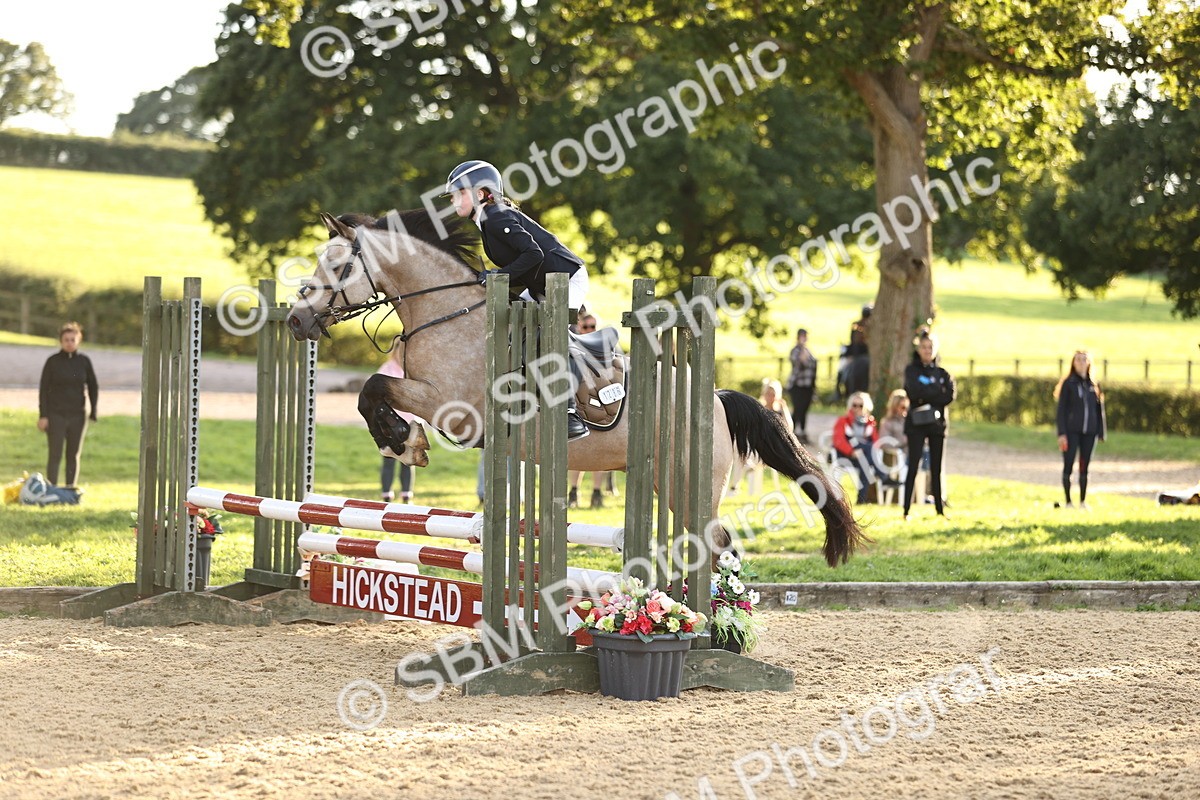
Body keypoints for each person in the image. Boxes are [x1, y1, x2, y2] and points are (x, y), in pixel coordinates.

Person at [446, 159, 590, 441]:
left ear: (479, 193)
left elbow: (533, 254)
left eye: (458, 193)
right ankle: (524, 394)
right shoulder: (487, 221)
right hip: (541, 284)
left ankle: (570, 413)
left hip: (567, 279)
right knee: (510, 324)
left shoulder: (496, 216)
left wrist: (497, 276)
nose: (453, 201)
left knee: (547, 333)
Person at [902, 329, 956, 520]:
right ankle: (906, 509)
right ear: (918, 349)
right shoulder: (911, 370)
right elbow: (914, 392)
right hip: (916, 424)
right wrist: (935, 392)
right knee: (913, 465)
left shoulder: (943, 373)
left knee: (936, 467)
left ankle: (940, 509)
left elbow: (949, 396)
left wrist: (927, 392)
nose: (927, 350)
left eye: (930, 347)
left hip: (937, 425)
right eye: (924, 347)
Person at [38, 321, 98, 488]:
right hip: (55, 414)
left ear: (78, 340)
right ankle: (51, 489)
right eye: (66, 339)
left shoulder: (84, 361)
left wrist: (93, 410)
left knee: (73, 454)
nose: (70, 343)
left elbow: (93, 386)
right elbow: (43, 389)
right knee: (55, 454)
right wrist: (43, 415)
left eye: (73, 339)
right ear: (61, 341)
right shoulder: (52, 362)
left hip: (78, 415)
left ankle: (70, 489)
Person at [568, 313, 613, 508]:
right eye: (585, 326)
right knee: (576, 451)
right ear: (578, 327)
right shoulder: (571, 348)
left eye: (592, 326)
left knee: (600, 451)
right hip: (579, 403)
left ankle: (596, 492)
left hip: (599, 403)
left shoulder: (602, 349)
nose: (589, 329)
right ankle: (573, 491)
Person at [1055, 350, 1107, 510]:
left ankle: (1083, 501)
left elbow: (1100, 410)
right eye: (1078, 360)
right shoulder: (1068, 384)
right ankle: (1068, 502)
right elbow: (1061, 410)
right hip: (1071, 432)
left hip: (1089, 433)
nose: (1081, 362)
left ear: (1089, 363)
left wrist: (1101, 431)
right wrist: (1062, 433)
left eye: (1084, 359)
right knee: (1068, 465)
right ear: (1073, 363)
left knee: (1084, 466)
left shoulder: (1094, 385)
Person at [832, 391, 897, 503]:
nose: (857, 408)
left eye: (860, 405)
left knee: (866, 457)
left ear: (866, 407)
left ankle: (861, 500)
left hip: (863, 457)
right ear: (850, 406)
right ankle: (883, 476)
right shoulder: (843, 421)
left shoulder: (870, 423)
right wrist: (852, 451)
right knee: (868, 449)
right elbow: (838, 441)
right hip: (846, 457)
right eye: (854, 405)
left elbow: (876, 443)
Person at [377, 344, 416, 502]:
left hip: (411, 423)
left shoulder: (412, 371)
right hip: (390, 423)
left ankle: (407, 493)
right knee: (389, 459)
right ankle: (386, 493)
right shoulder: (386, 370)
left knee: (408, 460)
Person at [785, 328, 817, 443]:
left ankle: (803, 432)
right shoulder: (796, 351)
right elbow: (801, 362)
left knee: (804, 410)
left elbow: (813, 365)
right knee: (797, 409)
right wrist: (802, 347)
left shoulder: (809, 351)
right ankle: (791, 433)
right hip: (797, 385)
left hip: (808, 386)